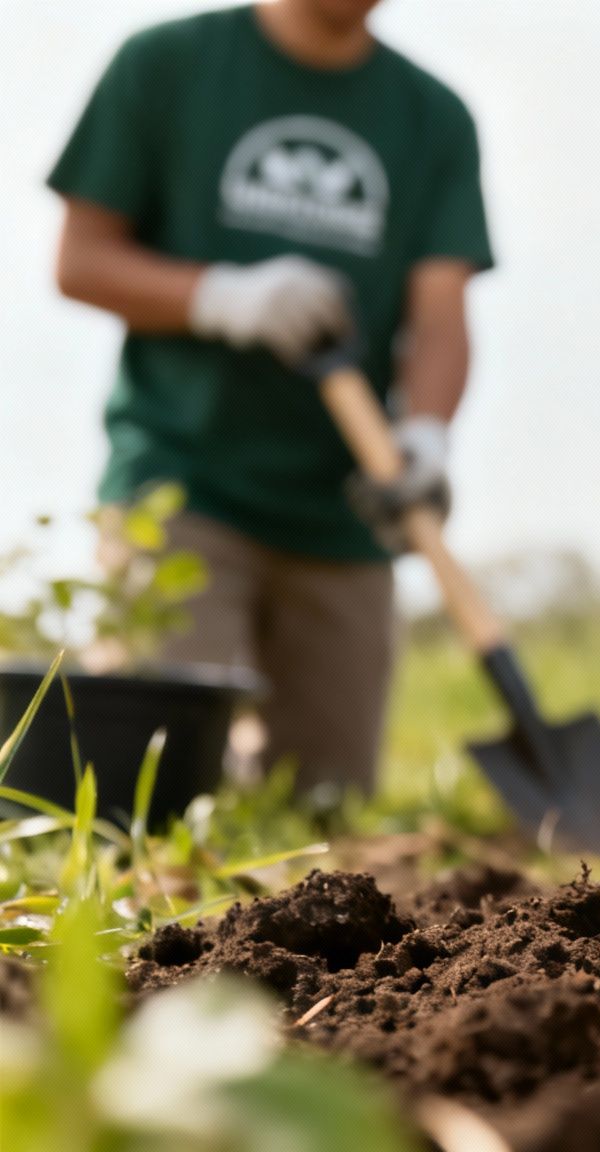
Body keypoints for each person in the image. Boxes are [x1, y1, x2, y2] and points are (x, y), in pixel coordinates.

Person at [50, 0, 492, 796]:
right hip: (181, 486)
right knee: (154, 790)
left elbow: (441, 319)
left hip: (344, 513)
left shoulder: (432, 117)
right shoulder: (166, 64)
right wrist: (218, 296)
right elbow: (81, 260)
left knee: (328, 811)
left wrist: (426, 434)